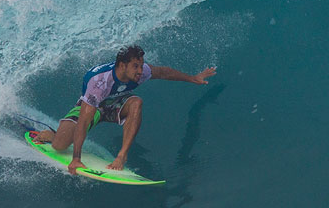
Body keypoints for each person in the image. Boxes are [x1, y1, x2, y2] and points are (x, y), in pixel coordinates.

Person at [30, 45, 216, 174]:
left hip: (117, 103)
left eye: (141, 65)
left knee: (136, 102)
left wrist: (193, 78)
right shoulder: (99, 82)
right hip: (92, 106)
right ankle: (52, 135)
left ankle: (121, 156)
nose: (140, 70)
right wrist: (76, 158)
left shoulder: (140, 73)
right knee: (59, 146)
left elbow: (164, 72)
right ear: (122, 66)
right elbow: (84, 120)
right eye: (135, 66)